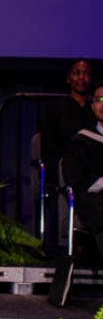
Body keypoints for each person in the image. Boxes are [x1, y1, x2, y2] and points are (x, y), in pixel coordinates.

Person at [38, 59, 95, 254]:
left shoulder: (94, 110)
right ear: (68, 78)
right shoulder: (57, 108)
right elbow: (48, 144)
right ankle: (69, 242)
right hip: (65, 168)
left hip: (92, 170)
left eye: (86, 74)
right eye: (77, 73)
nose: (81, 78)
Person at [60, 81, 103, 262]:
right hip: (93, 199)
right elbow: (74, 180)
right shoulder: (82, 141)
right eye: (100, 99)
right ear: (92, 106)